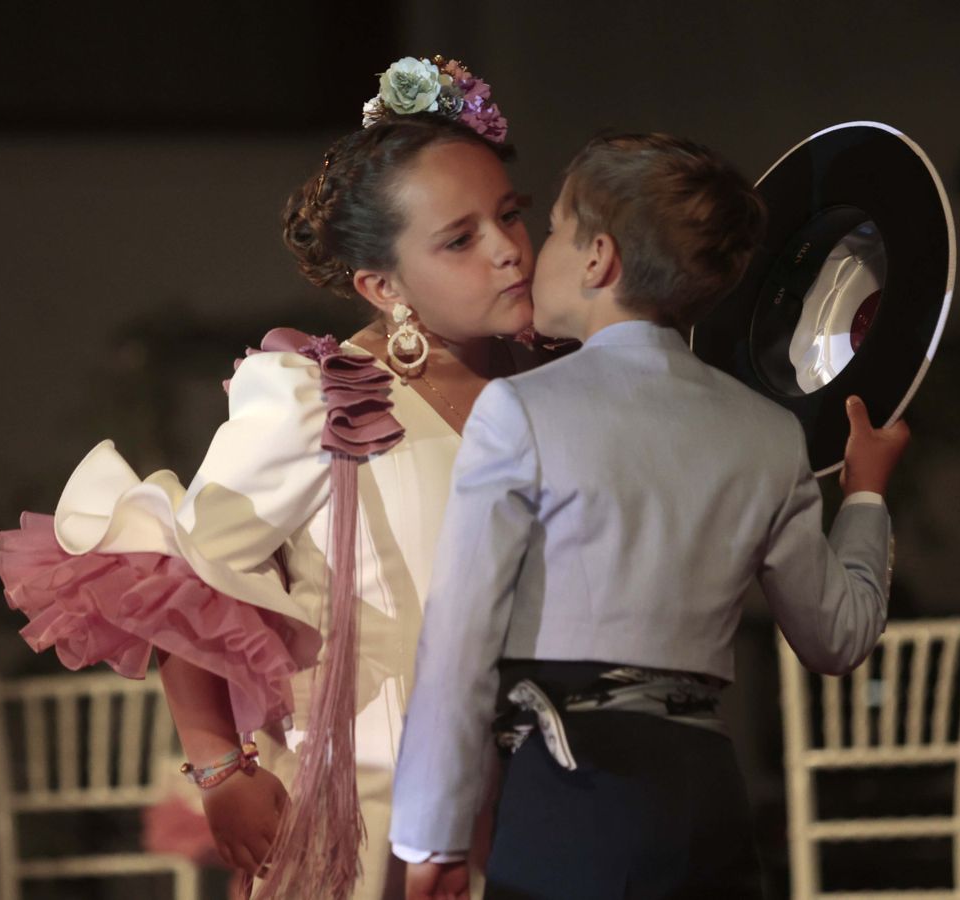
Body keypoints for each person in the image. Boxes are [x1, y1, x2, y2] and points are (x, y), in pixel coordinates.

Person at [0, 55, 543, 899]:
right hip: (370, 809)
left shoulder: (556, 388)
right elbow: (181, 571)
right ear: (382, 285)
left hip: (537, 801)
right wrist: (219, 766)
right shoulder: (319, 399)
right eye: (460, 240)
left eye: (511, 216)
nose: (507, 251)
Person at [389, 133, 912, 900]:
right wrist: (864, 494)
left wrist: (432, 837)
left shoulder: (521, 410)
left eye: (557, 228)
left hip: (573, 786)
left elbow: (461, 636)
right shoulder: (770, 433)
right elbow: (839, 637)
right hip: (706, 791)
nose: (536, 253)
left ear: (599, 258)